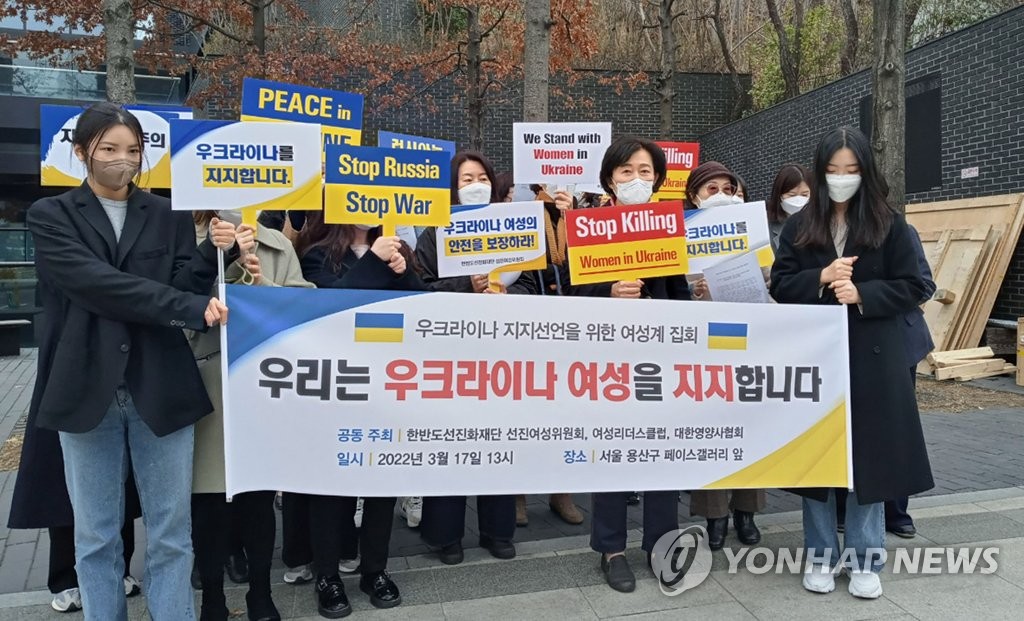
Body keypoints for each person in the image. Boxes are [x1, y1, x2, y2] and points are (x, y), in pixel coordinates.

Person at [25, 102, 233, 620]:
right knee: (96, 537)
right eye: (110, 149)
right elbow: (97, 286)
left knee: (171, 534)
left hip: (161, 385)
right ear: (81, 152)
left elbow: (184, 285)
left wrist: (212, 253)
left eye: (134, 150)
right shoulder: (50, 215)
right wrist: (187, 305)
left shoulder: (168, 213)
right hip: (84, 390)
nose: (124, 160)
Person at [771, 126, 933, 599]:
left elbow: (916, 285)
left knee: (871, 459)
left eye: (852, 170)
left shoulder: (889, 223)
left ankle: (866, 558)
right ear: (820, 173)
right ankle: (820, 555)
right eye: (832, 170)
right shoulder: (802, 226)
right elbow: (781, 285)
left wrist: (864, 293)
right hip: (816, 358)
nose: (842, 178)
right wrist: (820, 277)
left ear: (866, 171)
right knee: (818, 460)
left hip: (874, 357)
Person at [572, 135, 690, 593]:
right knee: (613, 453)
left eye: (645, 172)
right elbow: (571, 294)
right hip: (606, 362)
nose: (636, 179)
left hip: (658, 360)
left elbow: (678, 296)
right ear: (609, 179)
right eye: (627, 171)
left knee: (661, 452)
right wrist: (609, 291)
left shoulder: (668, 228)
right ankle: (611, 549)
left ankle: (661, 544)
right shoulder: (589, 227)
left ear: (657, 180)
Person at [189, 211, 313, 621]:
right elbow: (169, 302)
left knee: (257, 498)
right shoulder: (185, 239)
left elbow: (305, 309)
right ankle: (212, 598)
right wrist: (217, 264)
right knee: (208, 500)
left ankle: (261, 593)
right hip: (205, 384)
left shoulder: (278, 244)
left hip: (263, 385)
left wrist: (262, 288)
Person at [296, 212, 422, 616]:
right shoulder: (317, 255)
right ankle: (327, 575)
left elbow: (425, 311)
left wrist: (403, 273)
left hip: (387, 386)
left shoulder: (400, 252)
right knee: (330, 489)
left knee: (382, 485)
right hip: (339, 388)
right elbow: (328, 304)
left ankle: (375, 570)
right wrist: (373, 261)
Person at [414, 151, 535, 565]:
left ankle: (497, 531)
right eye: (466, 179)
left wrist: (505, 293)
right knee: (450, 442)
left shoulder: (514, 228)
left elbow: (533, 286)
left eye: (482, 177)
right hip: (451, 353)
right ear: (453, 187)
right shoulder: (434, 231)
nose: (476, 185)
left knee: (499, 441)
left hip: (502, 354)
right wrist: (468, 284)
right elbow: (421, 289)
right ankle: (444, 535)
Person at [836, 223, 936, 539]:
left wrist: (866, 294)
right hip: (847, 343)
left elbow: (924, 285)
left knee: (893, 427)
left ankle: (896, 511)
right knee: (849, 427)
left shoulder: (899, 231)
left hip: (897, 341)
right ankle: (845, 506)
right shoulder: (828, 232)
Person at [686, 162, 767, 549]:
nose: (721, 195)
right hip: (704, 345)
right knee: (711, 431)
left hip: (750, 340)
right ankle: (714, 516)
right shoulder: (680, 235)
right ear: (694, 196)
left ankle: (746, 512)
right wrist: (694, 292)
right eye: (711, 188)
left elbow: (776, 281)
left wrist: (764, 279)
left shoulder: (755, 231)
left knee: (750, 427)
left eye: (728, 189)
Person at [510, 184, 585, 528]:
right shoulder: (521, 215)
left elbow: (594, 271)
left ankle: (561, 492)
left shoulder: (585, 216)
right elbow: (514, 274)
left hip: (576, 330)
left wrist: (574, 219)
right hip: (531, 329)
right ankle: (519, 493)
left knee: (568, 415)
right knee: (524, 415)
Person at [766, 164, 814, 252]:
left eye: (804, 195)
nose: (798, 200)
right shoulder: (766, 227)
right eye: (792, 195)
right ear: (779, 195)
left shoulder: (820, 224)